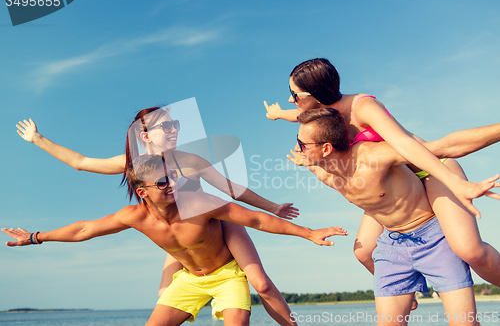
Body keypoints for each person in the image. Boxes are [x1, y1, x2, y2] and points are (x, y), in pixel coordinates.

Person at [16, 106, 298, 326]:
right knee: (164, 296)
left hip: (215, 223)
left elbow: (230, 189)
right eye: (166, 125)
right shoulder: (133, 164)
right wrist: (37, 139)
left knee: (260, 283)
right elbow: (81, 163)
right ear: (145, 135)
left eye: (174, 124)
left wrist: (272, 206)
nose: (173, 129)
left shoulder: (190, 160)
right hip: (178, 233)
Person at [2, 154, 347, 326]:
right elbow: (84, 230)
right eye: (162, 183)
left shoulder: (201, 205)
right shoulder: (135, 217)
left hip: (227, 275)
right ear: (142, 192)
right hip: (188, 281)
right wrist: (35, 237)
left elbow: (255, 219)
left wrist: (309, 233)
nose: (171, 184)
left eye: (172, 178)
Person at [264, 57, 500, 288]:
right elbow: (296, 115)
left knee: (469, 249)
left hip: (431, 169)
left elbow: (409, 145)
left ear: (314, 95)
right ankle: (403, 293)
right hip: (394, 183)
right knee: (364, 251)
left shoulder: (362, 107)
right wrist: (277, 115)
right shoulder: (322, 115)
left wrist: (454, 182)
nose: (290, 99)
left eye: (294, 94)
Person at [290, 108, 500, 326]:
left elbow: (444, 147)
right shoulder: (321, 170)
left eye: (302, 143)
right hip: (392, 247)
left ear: (326, 148)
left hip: (434, 239)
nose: (298, 147)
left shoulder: (373, 156)